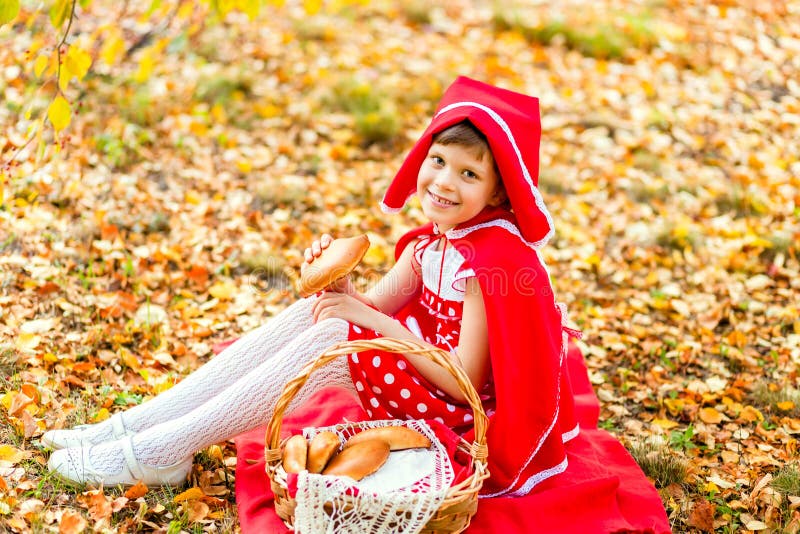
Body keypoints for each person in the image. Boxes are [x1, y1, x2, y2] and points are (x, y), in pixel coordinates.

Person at [45, 76, 579, 497]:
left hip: (459, 413)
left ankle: (166, 449)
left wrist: (368, 321)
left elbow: (464, 376)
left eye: (468, 174)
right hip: (419, 378)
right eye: (438, 161)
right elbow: (368, 305)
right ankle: (137, 427)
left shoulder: (490, 265)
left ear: (497, 193)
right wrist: (338, 285)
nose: (442, 181)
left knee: (337, 343)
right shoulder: (429, 245)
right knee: (321, 312)